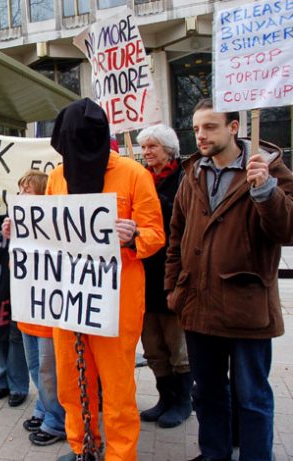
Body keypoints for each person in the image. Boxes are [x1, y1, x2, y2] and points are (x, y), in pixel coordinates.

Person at [165, 98, 293, 461]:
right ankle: (214, 454)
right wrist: (173, 289)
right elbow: (177, 235)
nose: (200, 136)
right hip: (198, 306)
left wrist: (266, 191)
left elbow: (288, 229)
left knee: (251, 395)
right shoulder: (193, 173)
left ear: (234, 128)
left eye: (209, 127)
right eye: (195, 129)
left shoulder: (268, 167)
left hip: (246, 306)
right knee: (207, 393)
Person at [48, 98, 165, 461]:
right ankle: (82, 444)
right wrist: (18, 229)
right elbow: (46, 232)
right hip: (68, 301)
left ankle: (119, 454)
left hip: (117, 304)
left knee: (117, 390)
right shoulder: (56, 176)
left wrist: (132, 238)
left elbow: (155, 235)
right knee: (70, 383)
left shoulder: (133, 174)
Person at [2, 169, 66, 445]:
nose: (22, 195)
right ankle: (44, 408)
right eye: (20, 190)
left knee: (48, 370)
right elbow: (14, 267)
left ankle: (58, 421)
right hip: (28, 309)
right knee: (35, 367)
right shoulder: (20, 225)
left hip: (47, 313)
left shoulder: (57, 228)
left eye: (27, 190)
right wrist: (11, 239)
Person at [136, 124, 192, 428]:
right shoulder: (140, 180)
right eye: (143, 148)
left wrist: (155, 207)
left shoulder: (183, 180)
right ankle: (164, 397)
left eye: (152, 147)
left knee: (176, 344)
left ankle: (183, 401)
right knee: (153, 345)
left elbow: (183, 221)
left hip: (172, 274)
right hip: (143, 276)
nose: (146, 153)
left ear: (169, 150)